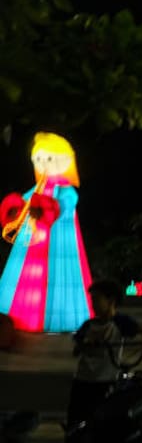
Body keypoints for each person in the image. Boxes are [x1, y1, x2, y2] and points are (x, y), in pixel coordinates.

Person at [62, 280, 142, 443]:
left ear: (111, 301)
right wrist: (85, 344)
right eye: (92, 299)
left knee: (101, 428)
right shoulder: (88, 325)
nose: (94, 304)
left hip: (105, 382)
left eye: (97, 299)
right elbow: (75, 350)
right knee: (75, 424)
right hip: (83, 380)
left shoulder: (121, 323)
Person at [0, 132, 94, 333]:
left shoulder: (66, 190)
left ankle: (56, 320)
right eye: (39, 159)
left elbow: (66, 204)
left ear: (65, 160)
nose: (43, 164)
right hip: (31, 244)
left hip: (60, 242)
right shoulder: (36, 189)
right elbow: (22, 202)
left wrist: (49, 207)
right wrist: (17, 208)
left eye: (49, 158)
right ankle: (17, 314)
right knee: (23, 279)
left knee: (58, 280)